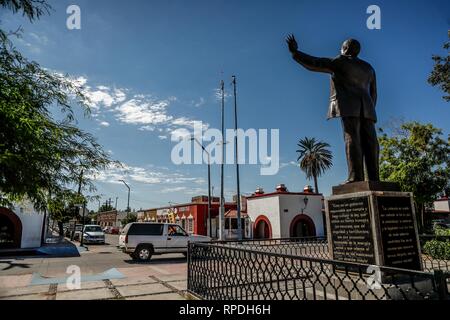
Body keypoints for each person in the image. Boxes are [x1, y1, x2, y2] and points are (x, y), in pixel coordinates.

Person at [286, 35, 380, 183]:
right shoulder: (368, 67)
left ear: (346, 49)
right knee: (371, 142)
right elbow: (374, 92)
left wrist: (295, 53)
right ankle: (375, 179)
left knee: (352, 139)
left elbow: (314, 63)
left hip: (349, 106)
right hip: (368, 108)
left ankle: (356, 177)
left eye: (342, 48)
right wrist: (370, 108)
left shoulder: (339, 62)